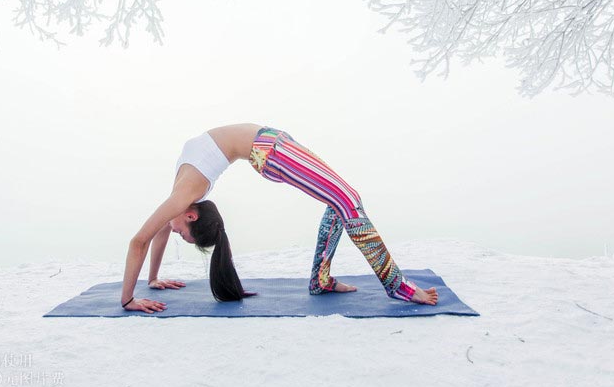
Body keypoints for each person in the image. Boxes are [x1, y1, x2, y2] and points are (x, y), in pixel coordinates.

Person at [121, 123, 438, 313]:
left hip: (273, 144)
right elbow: (154, 234)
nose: (174, 231)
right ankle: (396, 285)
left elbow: (143, 239)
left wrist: (131, 297)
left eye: (182, 235)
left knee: (341, 201)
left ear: (190, 215)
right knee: (348, 200)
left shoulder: (182, 194)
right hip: (270, 150)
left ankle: (321, 280)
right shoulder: (185, 195)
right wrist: (143, 286)